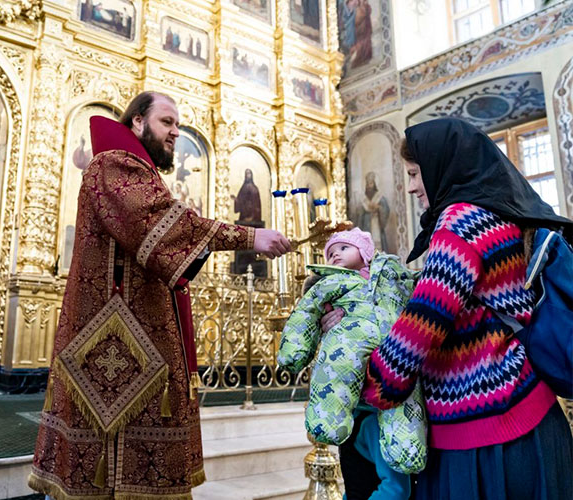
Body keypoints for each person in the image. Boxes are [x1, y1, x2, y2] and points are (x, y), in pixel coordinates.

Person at [28, 91, 291, 500]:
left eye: (178, 125)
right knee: (110, 459)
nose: (175, 132)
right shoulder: (112, 164)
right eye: (166, 122)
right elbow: (156, 223)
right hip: (115, 342)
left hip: (139, 336)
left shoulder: (139, 170)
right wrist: (249, 236)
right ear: (136, 122)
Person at [346, 117, 573, 499]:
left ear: (442, 166)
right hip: (529, 420)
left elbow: (425, 321)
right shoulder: (500, 214)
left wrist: (371, 382)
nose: (413, 186)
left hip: (485, 437)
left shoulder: (460, 222)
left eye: (416, 173)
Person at [278, 228, 423, 500]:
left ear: (365, 252)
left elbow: (420, 285)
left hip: (395, 369)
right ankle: (328, 420)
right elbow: (306, 311)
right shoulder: (331, 284)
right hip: (359, 403)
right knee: (358, 480)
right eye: (330, 253)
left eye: (343, 249)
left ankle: (408, 447)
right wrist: (297, 347)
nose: (335, 255)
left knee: (385, 469)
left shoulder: (390, 273)